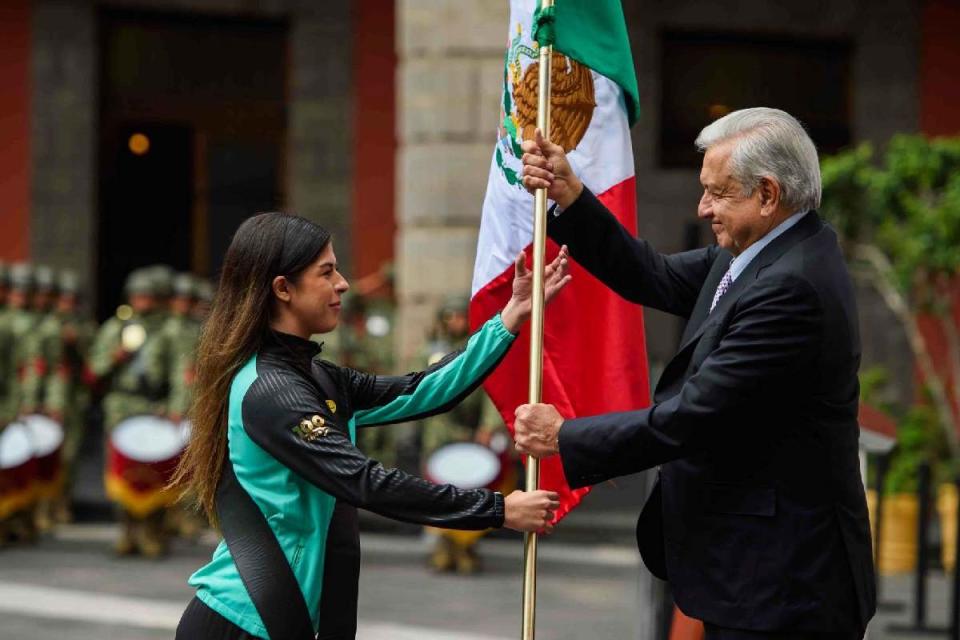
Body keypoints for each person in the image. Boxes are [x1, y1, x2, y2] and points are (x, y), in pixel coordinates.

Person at [514, 108, 875, 639]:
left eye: (718, 192)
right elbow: (651, 274)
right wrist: (571, 196)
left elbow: (692, 417)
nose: (703, 207)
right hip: (755, 572)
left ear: (768, 194)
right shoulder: (762, 253)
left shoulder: (791, 286)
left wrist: (565, 436)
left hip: (785, 586)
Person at [171, 213, 569, 640]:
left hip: (286, 621)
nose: (343, 283)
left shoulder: (315, 377)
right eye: (326, 272)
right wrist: (498, 510)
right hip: (243, 622)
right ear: (283, 289)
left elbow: (424, 390)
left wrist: (511, 316)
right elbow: (364, 481)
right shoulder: (272, 391)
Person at [418, 294, 514, 574]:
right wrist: (455, 434)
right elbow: (427, 398)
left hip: (472, 439)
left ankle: (466, 547)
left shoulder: (476, 351)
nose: (457, 322)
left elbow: (489, 391)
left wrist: (486, 427)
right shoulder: (431, 352)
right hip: (441, 438)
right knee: (439, 494)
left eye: (462, 316)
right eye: (452, 316)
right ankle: (444, 547)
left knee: (473, 490)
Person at [89, 268, 170, 557]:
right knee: (122, 470)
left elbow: (181, 373)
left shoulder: (169, 330)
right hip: (121, 407)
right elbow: (95, 371)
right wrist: (115, 358)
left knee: (155, 470)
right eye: (137, 296)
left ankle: (152, 531)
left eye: (148, 296)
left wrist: (173, 407)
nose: (142, 301)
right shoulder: (115, 328)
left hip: (154, 408)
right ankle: (126, 531)